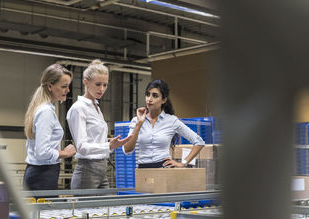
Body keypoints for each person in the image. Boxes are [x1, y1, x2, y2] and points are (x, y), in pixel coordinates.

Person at [67, 59, 132, 189]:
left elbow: (94, 138)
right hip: (87, 169)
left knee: (106, 208)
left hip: (102, 167)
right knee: (88, 209)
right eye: (98, 84)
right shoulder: (79, 108)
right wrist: (108, 145)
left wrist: (109, 141)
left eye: (105, 85)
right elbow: (81, 147)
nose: (102, 89)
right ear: (86, 83)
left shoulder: (96, 107)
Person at [123, 79, 205, 168]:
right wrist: (139, 124)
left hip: (164, 168)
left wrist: (183, 163)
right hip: (143, 169)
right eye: (147, 94)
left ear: (164, 100)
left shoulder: (172, 121)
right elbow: (127, 150)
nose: (149, 99)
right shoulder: (136, 121)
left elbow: (199, 142)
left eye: (155, 96)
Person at [23, 64, 76, 190]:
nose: (67, 90)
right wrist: (65, 153)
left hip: (42, 172)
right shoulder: (45, 112)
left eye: (68, 86)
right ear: (50, 86)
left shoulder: (46, 109)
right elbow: (42, 152)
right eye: (64, 86)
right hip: (42, 174)